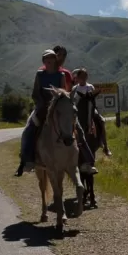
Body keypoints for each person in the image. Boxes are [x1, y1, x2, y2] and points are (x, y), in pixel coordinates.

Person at [16, 49, 97, 177]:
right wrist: (41, 103)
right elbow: (35, 93)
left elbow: (63, 93)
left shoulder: (61, 76)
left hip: (58, 107)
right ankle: (27, 160)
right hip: (42, 107)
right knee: (28, 129)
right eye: (47, 60)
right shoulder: (39, 74)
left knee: (78, 128)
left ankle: (88, 161)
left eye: (52, 60)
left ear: (55, 61)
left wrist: (56, 105)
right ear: (44, 61)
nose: (49, 62)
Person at [72, 68, 112, 157]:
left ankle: (105, 146)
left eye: (85, 76)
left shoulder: (90, 87)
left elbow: (94, 100)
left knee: (101, 121)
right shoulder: (75, 88)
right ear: (77, 78)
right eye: (81, 77)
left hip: (91, 109)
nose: (83, 79)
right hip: (79, 111)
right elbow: (73, 102)